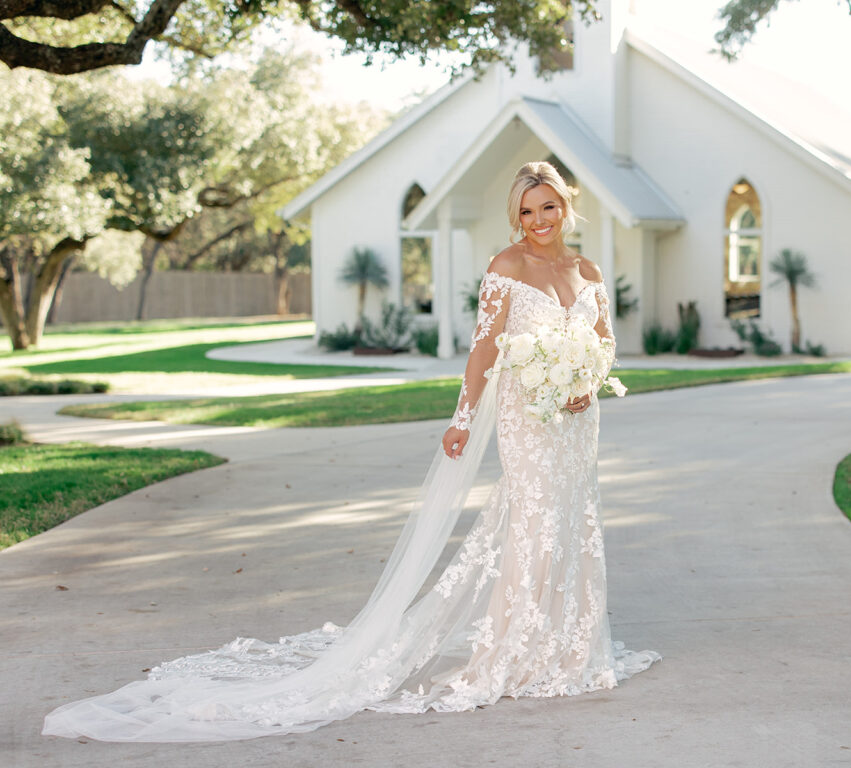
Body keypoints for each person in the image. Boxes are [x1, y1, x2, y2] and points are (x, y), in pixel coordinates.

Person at [42, 161, 660, 743]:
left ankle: (573, 645)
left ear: (566, 204)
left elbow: (603, 343)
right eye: (527, 212)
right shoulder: (506, 265)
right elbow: (482, 350)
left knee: (575, 519)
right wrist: (462, 420)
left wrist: (584, 382)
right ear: (516, 219)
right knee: (534, 520)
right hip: (528, 418)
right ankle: (518, 651)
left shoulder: (588, 272)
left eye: (548, 206)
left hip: (579, 420)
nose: (540, 220)